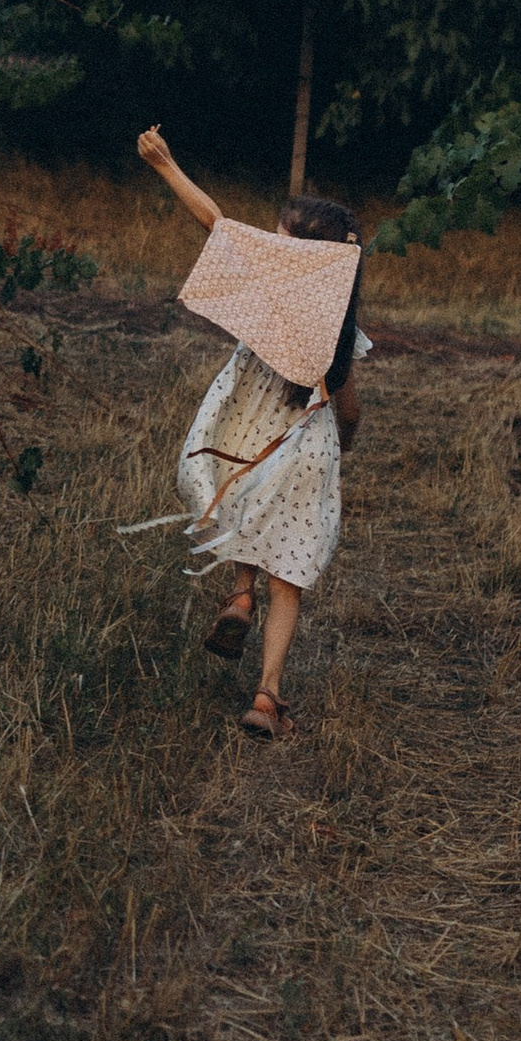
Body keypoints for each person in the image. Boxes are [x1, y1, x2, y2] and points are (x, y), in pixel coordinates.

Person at [134, 125, 365, 740]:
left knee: (241, 510)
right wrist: (343, 441)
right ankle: (267, 695)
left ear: (303, 255)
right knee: (287, 567)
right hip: (307, 448)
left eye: (284, 236)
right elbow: (351, 409)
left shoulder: (271, 297)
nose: (274, 242)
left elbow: (215, 223)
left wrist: (165, 162)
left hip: (252, 439)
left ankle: (239, 596)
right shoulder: (338, 327)